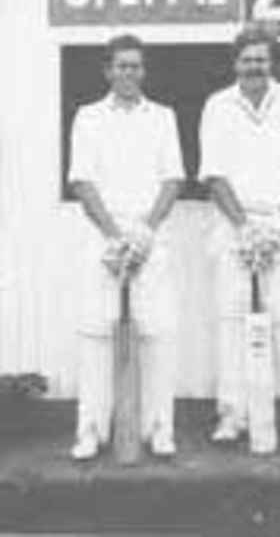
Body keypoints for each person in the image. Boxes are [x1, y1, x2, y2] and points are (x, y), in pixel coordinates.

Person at [199, 28, 280, 447]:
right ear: (234, 63)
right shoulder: (217, 106)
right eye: (246, 59)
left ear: (270, 61)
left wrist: (279, 221)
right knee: (231, 320)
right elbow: (213, 173)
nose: (254, 66)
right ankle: (232, 416)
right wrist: (244, 227)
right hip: (233, 224)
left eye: (261, 58)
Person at [68, 33, 185, 460]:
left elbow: (173, 179)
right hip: (102, 234)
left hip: (150, 235)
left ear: (144, 71)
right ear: (108, 70)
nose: (129, 73)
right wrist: (115, 236)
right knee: (96, 332)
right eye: (121, 65)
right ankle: (91, 431)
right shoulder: (87, 117)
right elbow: (82, 181)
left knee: (158, 332)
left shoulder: (163, 117)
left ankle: (159, 429)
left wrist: (144, 234)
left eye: (136, 65)